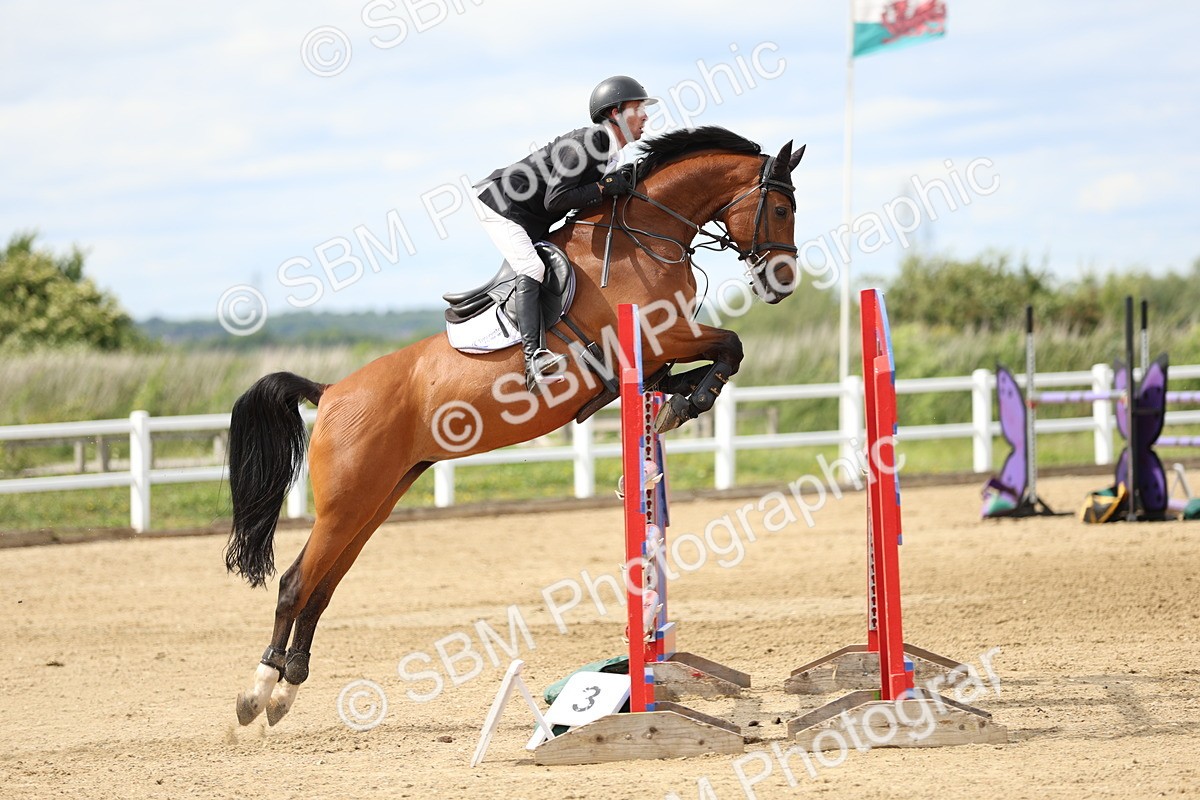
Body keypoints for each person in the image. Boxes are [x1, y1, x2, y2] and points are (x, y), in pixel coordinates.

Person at [474, 75, 656, 390]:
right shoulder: (591, 141)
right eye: (637, 108)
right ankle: (534, 360)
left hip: (531, 215)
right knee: (532, 267)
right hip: (503, 205)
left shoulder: (612, 154)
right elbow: (555, 198)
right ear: (615, 113)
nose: (645, 116)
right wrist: (602, 187)